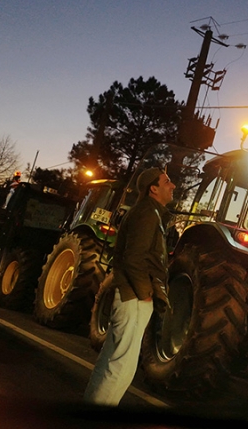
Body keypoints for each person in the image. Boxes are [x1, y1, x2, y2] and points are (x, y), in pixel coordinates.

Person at [83, 167, 175, 406]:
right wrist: (145, 295)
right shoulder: (147, 213)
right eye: (167, 182)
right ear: (153, 188)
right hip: (134, 297)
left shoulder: (150, 212)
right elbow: (135, 258)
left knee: (111, 359)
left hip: (131, 295)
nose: (173, 186)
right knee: (122, 365)